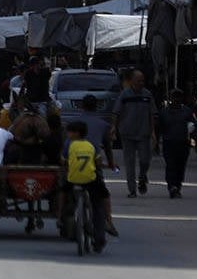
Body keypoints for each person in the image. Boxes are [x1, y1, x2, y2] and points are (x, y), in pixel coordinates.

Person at [64, 121, 109, 252]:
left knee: (64, 193)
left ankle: (65, 219)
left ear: (75, 133)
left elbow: (63, 160)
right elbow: (98, 162)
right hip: (91, 180)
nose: (68, 134)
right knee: (97, 205)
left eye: (69, 132)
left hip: (72, 179)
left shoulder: (68, 144)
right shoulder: (92, 144)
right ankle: (101, 234)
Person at [112, 69, 157, 197]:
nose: (141, 83)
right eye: (138, 80)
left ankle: (142, 177)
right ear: (131, 81)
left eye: (143, 80)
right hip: (127, 133)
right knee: (129, 163)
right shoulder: (125, 95)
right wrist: (113, 127)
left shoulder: (147, 95)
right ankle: (132, 190)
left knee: (145, 160)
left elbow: (152, 114)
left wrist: (153, 131)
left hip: (144, 133)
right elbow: (116, 112)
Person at [158, 89, 195, 198]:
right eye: (174, 97)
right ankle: (171, 186)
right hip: (168, 143)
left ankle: (177, 186)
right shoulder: (164, 112)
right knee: (170, 165)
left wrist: (195, 142)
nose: (176, 99)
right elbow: (159, 128)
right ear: (170, 98)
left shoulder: (187, 112)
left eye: (178, 97)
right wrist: (156, 143)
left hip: (183, 143)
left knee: (180, 166)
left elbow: (193, 127)